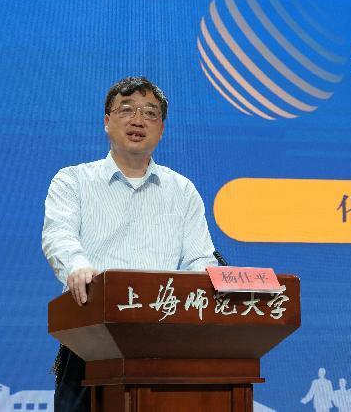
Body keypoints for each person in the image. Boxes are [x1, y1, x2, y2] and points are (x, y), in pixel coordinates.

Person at [42, 76, 219, 411]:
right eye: (126, 110)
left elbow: (199, 258)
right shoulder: (73, 180)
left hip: (165, 339)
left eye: (150, 113)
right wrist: (78, 267)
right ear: (107, 121)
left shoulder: (182, 190)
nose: (138, 120)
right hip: (90, 336)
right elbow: (58, 236)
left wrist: (213, 283)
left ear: (161, 129)